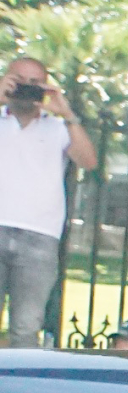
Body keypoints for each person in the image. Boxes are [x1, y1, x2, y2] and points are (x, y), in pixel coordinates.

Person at [0, 56, 98, 347]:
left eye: (35, 83)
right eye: (19, 81)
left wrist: (66, 113)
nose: (26, 89)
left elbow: (88, 160)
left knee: (26, 328)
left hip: (39, 238)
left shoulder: (58, 128)